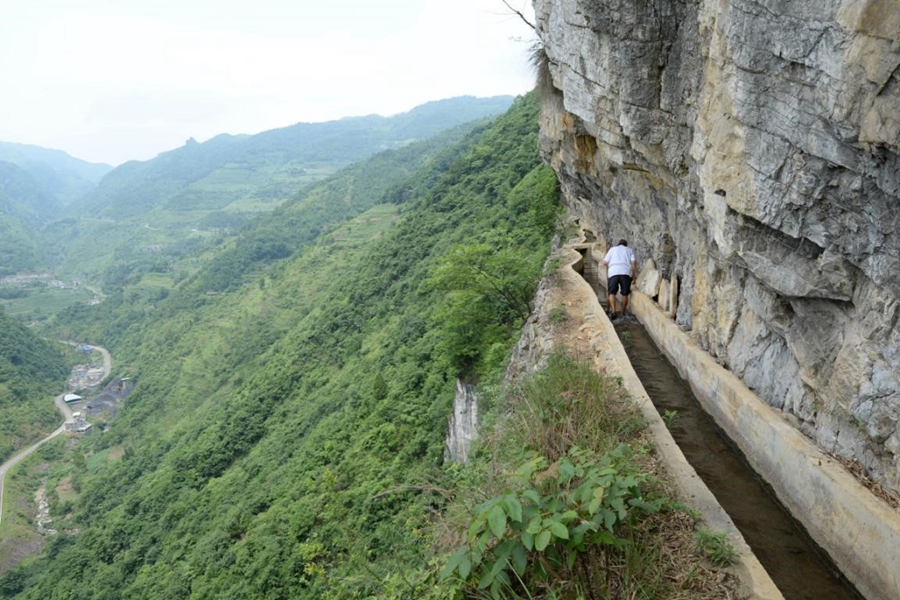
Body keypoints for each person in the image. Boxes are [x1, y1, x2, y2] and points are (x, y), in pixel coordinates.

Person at [602, 239, 637, 319]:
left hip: (613, 272)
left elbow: (604, 262)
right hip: (625, 272)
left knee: (612, 293)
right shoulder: (629, 250)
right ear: (626, 245)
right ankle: (623, 313)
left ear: (618, 244)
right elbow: (633, 262)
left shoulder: (612, 249)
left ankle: (613, 311)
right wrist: (634, 277)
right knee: (625, 293)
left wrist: (606, 264)